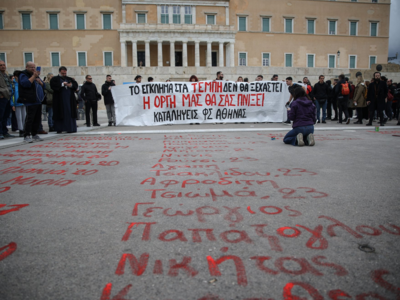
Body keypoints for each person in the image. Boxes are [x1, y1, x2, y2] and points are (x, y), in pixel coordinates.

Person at [18, 61, 45, 142]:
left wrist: (40, 82)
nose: (33, 69)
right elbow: (26, 84)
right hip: (30, 100)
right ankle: (26, 135)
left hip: (38, 100)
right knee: (30, 118)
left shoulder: (36, 76)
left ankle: (34, 134)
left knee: (37, 119)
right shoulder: (23, 74)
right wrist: (34, 76)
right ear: (27, 67)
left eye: (34, 67)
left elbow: (44, 85)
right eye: (31, 67)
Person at [50, 66, 78, 133]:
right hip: (60, 100)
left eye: (65, 73)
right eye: (63, 73)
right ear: (59, 72)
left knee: (69, 112)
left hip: (69, 100)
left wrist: (70, 85)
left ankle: (70, 128)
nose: (64, 75)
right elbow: (53, 86)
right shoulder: (54, 79)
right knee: (60, 113)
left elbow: (75, 85)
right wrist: (62, 84)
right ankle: (60, 128)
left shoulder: (69, 79)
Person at [0, 60, 16, 139]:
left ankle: (4, 131)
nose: (3, 66)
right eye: (1, 65)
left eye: (4, 65)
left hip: (7, 97)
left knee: (5, 116)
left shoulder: (5, 75)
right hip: (2, 98)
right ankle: (0, 132)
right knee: (0, 116)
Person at [10, 71, 26, 137]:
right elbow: (11, 95)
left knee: (24, 116)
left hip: (24, 102)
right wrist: (12, 104)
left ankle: (25, 129)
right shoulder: (13, 84)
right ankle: (21, 130)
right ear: (16, 76)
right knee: (19, 117)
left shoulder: (22, 83)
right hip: (16, 103)